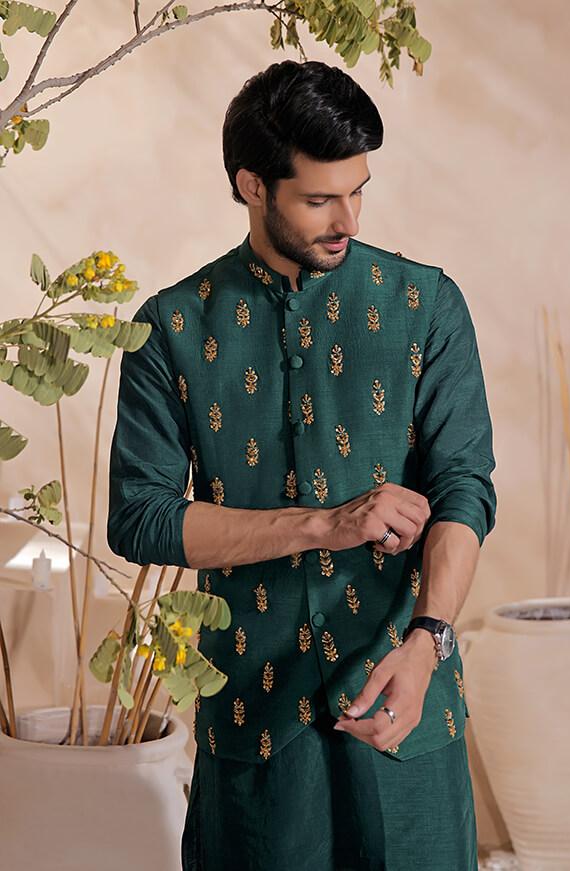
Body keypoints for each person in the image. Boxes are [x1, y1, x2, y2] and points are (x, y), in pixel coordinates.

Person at [108, 60, 496, 871]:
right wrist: (323, 524)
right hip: (252, 716)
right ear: (252, 186)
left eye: (357, 191)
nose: (346, 218)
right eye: (319, 199)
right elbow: (141, 517)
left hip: (405, 699)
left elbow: (464, 487)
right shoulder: (172, 327)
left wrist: (427, 643)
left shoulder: (425, 304)